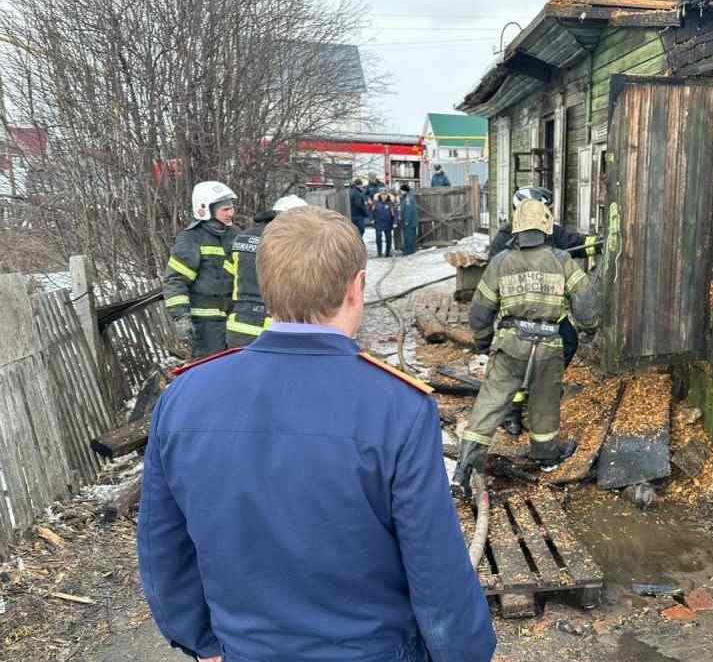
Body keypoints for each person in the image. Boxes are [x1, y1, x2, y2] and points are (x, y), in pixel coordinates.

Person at [139, 206, 496, 662]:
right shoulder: (398, 407)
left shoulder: (185, 396)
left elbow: (162, 548)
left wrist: (200, 641)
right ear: (357, 287)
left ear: (264, 286)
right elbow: (435, 565)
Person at [451, 199, 599, 499]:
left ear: (516, 230)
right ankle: (546, 456)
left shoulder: (500, 262)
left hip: (510, 345)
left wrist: (482, 342)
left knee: (490, 403)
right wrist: (589, 326)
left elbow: (480, 311)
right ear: (546, 227)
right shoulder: (562, 261)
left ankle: (464, 470)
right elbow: (586, 304)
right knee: (544, 402)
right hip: (548, 347)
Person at [489, 186, 602, 435]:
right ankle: (513, 414)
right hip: (517, 314)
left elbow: (578, 244)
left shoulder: (551, 232)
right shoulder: (505, 239)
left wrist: (603, 242)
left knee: (568, 341)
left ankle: (541, 386)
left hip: (550, 313)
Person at [163, 181, 239, 359]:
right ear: (205, 209)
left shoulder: (235, 235)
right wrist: (181, 318)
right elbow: (175, 280)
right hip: (205, 326)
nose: (231, 213)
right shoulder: (191, 239)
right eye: (225, 209)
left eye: (231, 208)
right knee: (211, 371)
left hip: (234, 320)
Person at [224, 194, 307, 348]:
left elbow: (226, 280)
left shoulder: (242, 237)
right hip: (277, 328)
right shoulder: (290, 240)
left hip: (239, 326)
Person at [372, 191, 396, 258]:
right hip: (378, 223)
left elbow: (394, 214)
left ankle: (387, 252)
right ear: (380, 195)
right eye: (382, 195)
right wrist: (372, 219)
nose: (383, 196)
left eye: (385, 195)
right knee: (378, 238)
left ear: (387, 195)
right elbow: (371, 211)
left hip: (388, 223)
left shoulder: (390, 204)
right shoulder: (376, 203)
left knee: (388, 238)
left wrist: (394, 222)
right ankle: (379, 252)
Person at [399, 183, 419, 255]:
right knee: (409, 236)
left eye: (401, 190)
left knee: (409, 236)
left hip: (409, 222)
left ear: (405, 191)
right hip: (411, 222)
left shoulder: (408, 199)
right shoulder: (408, 197)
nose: (401, 192)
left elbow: (409, 211)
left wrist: (406, 221)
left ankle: (409, 250)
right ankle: (409, 249)